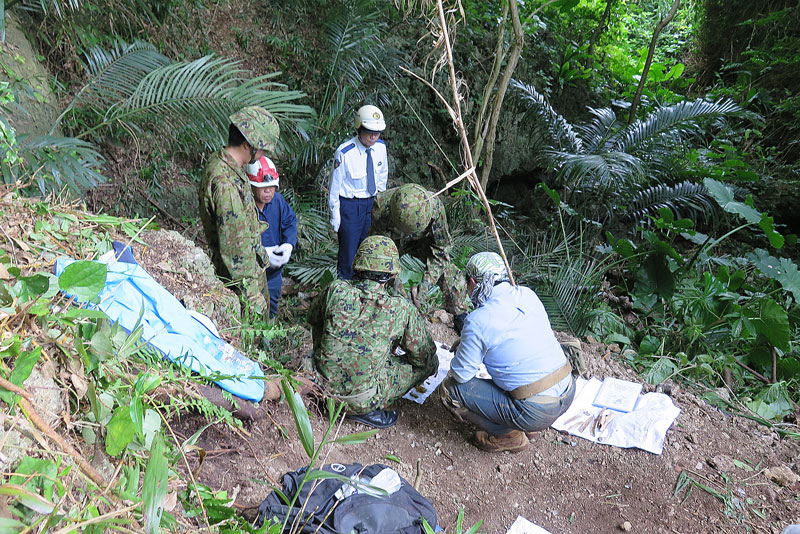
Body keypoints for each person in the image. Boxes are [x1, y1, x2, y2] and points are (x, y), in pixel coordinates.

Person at [439, 252, 575, 453]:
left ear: (473, 282)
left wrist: (466, 351)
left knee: (451, 391)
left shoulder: (478, 320)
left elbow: (461, 375)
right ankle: (529, 425)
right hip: (569, 390)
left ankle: (507, 434)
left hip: (537, 410)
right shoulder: (527, 294)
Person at [308, 235, 437, 429]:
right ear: (392, 275)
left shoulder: (336, 290)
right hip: (361, 399)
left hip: (320, 387)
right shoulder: (400, 309)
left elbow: (313, 318)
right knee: (430, 363)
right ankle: (364, 410)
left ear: (358, 266)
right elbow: (423, 357)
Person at [199, 106, 279, 316]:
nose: (262, 156)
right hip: (242, 287)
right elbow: (237, 252)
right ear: (247, 145)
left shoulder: (225, 164)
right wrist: (254, 299)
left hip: (250, 272)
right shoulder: (225, 184)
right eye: (261, 150)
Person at [370, 183, 468, 329]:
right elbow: (380, 252)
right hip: (393, 244)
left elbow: (441, 252)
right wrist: (395, 282)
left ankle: (461, 317)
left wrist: (424, 287)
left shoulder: (435, 208)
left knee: (450, 273)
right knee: (375, 274)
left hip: (422, 243)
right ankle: (374, 315)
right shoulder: (380, 207)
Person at [329, 105, 389, 280]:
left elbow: (382, 175)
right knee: (348, 252)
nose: (373, 137)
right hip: (350, 207)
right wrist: (335, 216)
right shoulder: (345, 152)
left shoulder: (380, 148)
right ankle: (345, 288)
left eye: (377, 133)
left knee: (369, 248)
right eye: (369, 132)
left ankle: (365, 287)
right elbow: (334, 187)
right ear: (359, 128)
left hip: (372, 204)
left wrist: (381, 202)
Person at [245, 156, 298, 318]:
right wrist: (262, 254)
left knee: (271, 306)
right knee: (250, 308)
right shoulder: (243, 205)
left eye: (271, 187)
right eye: (263, 188)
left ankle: (268, 339)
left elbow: (290, 222)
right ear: (251, 186)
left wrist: (288, 244)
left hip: (274, 273)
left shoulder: (278, 202)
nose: (268, 191)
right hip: (251, 272)